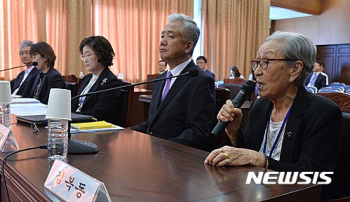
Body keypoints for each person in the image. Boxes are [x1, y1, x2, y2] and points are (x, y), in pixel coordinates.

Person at [205, 31, 342, 176]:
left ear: (294, 69)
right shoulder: (261, 106)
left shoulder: (322, 113)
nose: (256, 71)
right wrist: (233, 132)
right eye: (257, 62)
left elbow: (311, 175)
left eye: (266, 62)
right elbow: (246, 156)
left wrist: (262, 160)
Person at [132, 13, 216, 151]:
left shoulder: (200, 80)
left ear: (188, 46)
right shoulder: (161, 78)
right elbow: (152, 124)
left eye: (170, 37)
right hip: (153, 154)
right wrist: (125, 132)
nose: (162, 42)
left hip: (176, 160)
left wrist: (161, 149)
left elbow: (196, 133)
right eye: (162, 36)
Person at [71, 36, 123, 125]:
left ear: (101, 54)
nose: (85, 60)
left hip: (94, 127)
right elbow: (75, 104)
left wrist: (73, 116)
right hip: (77, 122)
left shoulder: (111, 82)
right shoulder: (87, 78)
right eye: (83, 56)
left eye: (88, 55)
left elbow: (99, 114)